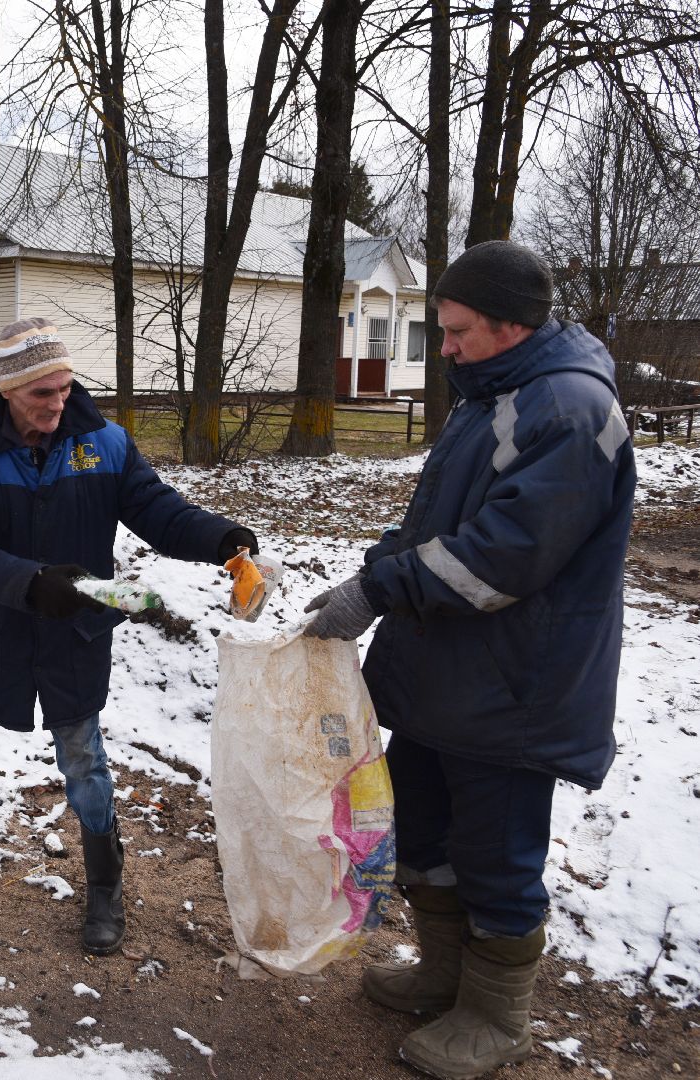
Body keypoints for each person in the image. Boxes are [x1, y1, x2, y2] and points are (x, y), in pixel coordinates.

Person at [303, 241, 635, 1079]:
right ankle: (444, 975)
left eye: (456, 332)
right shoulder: (495, 392)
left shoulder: (566, 410)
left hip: (514, 689)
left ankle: (495, 1016)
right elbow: (434, 526)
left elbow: (504, 558)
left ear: (513, 325)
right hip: (445, 676)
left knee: (497, 853)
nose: (443, 348)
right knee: (425, 829)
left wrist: (383, 593)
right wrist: (374, 571)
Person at [0, 316, 263, 956]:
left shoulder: (106, 445)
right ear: (7, 390)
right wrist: (31, 582)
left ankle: (104, 886)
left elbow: (158, 511)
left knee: (84, 756)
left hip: (75, 633)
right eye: (43, 393)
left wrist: (222, 539)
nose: (59, 403)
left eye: (66, 388)